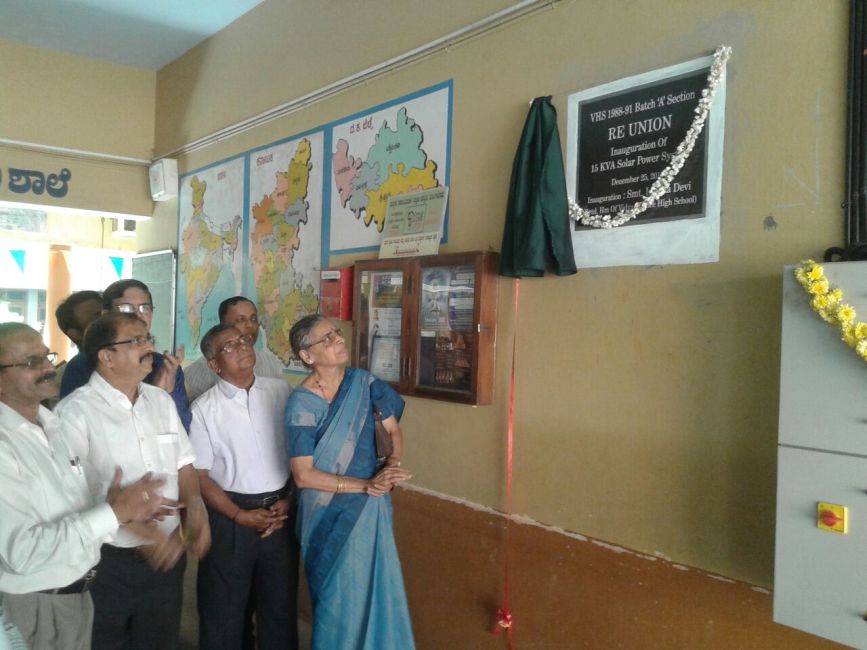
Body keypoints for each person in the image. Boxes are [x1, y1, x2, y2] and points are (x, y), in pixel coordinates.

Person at [0, 322, 170, 650]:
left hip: (77, 597)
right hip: (33, 607)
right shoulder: (5, 445)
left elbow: (76, 514)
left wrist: (119, 512)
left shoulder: (53, 427)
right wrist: (113, 513)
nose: (49, 368)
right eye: (32, 362)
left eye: (47, 356)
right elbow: (22, 554)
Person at [56, 312, 210, 649]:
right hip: (107, 562)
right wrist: (146, 534)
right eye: (136, 341)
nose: (149, 347)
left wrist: (195, 506)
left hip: (167, 558)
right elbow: (71, 496)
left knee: (160, 641)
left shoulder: (159, 400)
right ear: (106, 356)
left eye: (148, 338)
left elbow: (184, 462)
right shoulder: (75, 413)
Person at [284, 315, 415, 649]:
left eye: (336, 333)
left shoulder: (365, 384)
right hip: (326, 517)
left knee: (379, 589)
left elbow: (393, 432)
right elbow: (303, 475)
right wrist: (365, 485)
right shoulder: (302, 403)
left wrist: (391, 468)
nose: (338, 340)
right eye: (326, 339)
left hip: (371, 510)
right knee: (337, 602)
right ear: (307, 356)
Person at [190, 323, 298, 649]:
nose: (241, 347)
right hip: (230, 516)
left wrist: (289, 499)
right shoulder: (204, 409)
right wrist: (238, 515)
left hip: (280, 513)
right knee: (224, 609)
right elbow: (200, 476)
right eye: (229, 346)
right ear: (214, 365)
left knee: (280, 608)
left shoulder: (281, 392)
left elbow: (299, 452)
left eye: (242, 340)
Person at [59, 279, 192, 431]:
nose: (138, 315)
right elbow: (97, 434)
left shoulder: (165, 365)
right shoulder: (83, 365)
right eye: (126, 308)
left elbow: (182, 429)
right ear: (106, 314)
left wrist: (167, 395)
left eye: (144, 307)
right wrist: (156, 394)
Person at [185, 296, 285, 402]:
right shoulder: (196, 372)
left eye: (253, 319)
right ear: (223, 325)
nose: (250, 325)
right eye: (241, 320)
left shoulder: (272, 364)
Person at [55, 290, 102, 399]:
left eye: (107, 313)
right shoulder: (77, 371)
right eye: (97, 318)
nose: (109, 320)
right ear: (76, 334)